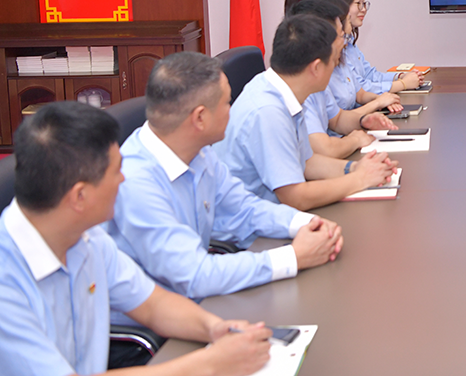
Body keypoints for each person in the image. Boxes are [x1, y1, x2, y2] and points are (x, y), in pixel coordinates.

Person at [0, 101, 272, 376]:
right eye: (116, 171)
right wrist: (211, 363)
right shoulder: (6, 282)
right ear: (80, 196)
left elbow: (152, 305)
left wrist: (214, 328)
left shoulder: (87, 238)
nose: (124, 179)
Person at [107, 52, 344, 308]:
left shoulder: (197, 152)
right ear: (199, 118)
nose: (231, 111)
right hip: (162, 322)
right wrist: (294, 257)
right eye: (226, 103)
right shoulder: (136, 183)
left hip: (203, 299)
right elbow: (194, 274)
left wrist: (308, 223)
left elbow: (244, 209)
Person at [214, 13, 397, 211]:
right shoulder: (268, 112)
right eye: (334, 61)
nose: (337, 67)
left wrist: (354, 168)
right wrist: (359, 179)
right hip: (253, 222)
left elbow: (306, 162)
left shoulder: (284, 91)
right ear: (316, 68)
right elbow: (295, 197)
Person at [288, 0, 396, 159]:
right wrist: (355, 140)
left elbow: (337, 119)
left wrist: (363, 121)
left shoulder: (314, 79)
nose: (346, 42)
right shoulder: (293, 90)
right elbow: (324, 150)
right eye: (342, 36)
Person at [325, 0, 423, 97]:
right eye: (358, 3)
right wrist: (403, 84)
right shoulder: (336, 46)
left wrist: (400, 76)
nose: (363, 9)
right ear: (342, 5)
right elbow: (360, 88)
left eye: (364, 4)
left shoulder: (350, 41)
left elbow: (369, 74)